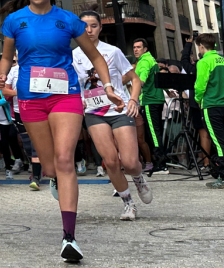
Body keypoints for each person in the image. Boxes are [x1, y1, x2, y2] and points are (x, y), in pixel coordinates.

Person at [0, 0, 123, 263]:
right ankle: (55, 178)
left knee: (65, 159)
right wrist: (2, 77)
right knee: (51, 165)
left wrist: (108, 86)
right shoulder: (14, 21)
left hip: (65, 96)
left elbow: (95, 57)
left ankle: (69, 237)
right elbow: (5, 57)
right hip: (30, 99)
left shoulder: (68, 20)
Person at [71, 11, 152, 221]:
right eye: (84, 26)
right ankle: (128, 204)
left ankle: (138, 177)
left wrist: (133, 101)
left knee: (131, 162)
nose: (88, 30)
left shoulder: (112, 51)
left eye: (93, 26)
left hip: (118, 110)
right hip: (93, 113)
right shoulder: (73, 56)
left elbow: (134, 79)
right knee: (111, 161)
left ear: (100, 28)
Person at [193, 33, 224, 189]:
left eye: (198, 47)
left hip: (213, 105)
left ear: (201, 46)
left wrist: (197, 99)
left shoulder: (204, 62)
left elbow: (200, 86)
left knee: (219, 142)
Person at [132, 38, 166, 173]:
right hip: (156, 99)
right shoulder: (150, 60)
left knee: (153, 133)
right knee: (156, 132)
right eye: (134, 47)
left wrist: (132, 86)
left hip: (150, 100)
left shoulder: (145, 61)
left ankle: (160, 163)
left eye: (138, 47)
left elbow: (142, 81)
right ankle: (161, 161)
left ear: (145, 49)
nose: (135, 49)